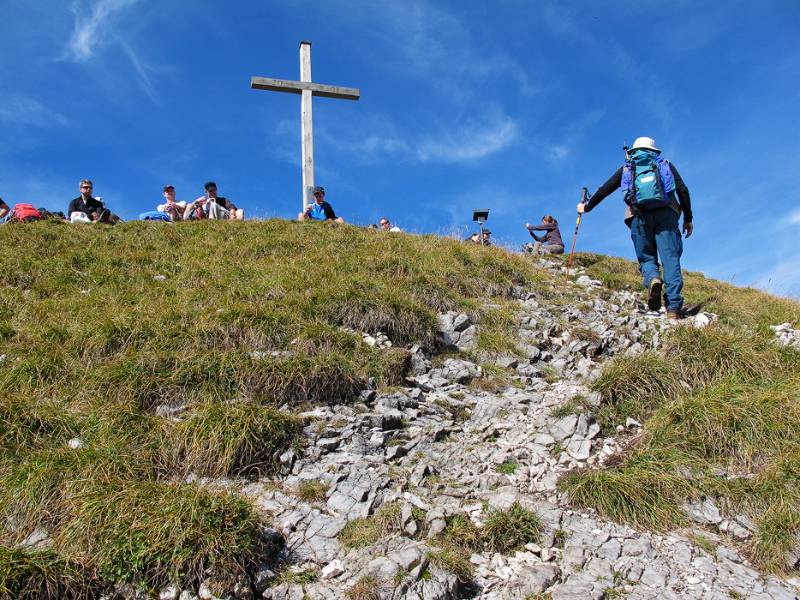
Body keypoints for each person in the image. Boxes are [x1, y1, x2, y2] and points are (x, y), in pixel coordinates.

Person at [577, 136, 693, 319]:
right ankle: (673, 309)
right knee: (670, 259)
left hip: (637, 216)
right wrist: (688, 218)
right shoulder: (664, 164)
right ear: (654, 151)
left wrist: (587, 207)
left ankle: (653, 279)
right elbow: (683, 190)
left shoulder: (628, 168)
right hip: (667, 214)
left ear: (633, 151)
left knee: (646, 258)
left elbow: (604, 189)